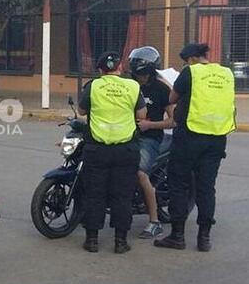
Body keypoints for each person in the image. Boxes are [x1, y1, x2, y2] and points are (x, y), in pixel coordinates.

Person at [155, 43, 236, 252]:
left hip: (190, 136)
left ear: (190, 59)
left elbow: (172, 98)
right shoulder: (226, 72)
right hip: (217, 137)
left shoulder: (190, 72)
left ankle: (177, 236)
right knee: (206, 187)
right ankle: (204, 238)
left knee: (179, 184)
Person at [78, 51, 147, 254]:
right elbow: (142, 114)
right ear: (120, 68)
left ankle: (92, 240)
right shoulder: (133, 86)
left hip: (97, 149)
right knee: (122, 196)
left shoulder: (93, 86)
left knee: (94, 194)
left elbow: (82, 112)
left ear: (100, 70)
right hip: (125, 150)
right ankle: (120, 242)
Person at [127, 47, 175, 239]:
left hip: (150, 138)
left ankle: (154, 222)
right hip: (126, 134)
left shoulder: (162, 89)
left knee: (140, 173)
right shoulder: (128, 84)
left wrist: (150, 125)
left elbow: (174, 120)